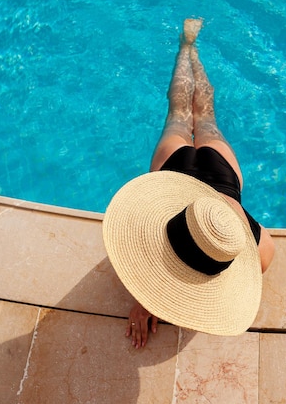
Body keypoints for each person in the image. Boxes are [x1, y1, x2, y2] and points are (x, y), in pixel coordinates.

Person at [103, 19, 275, 349]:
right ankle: (190, 48)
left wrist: (147, 301)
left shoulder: (262, 249)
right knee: (196, 115)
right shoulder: (260, 252)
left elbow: (146, 245)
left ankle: (187, 46)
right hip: (184, 173)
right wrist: (149, 299)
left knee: (187, 113)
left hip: (213, 177)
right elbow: (154, 250)